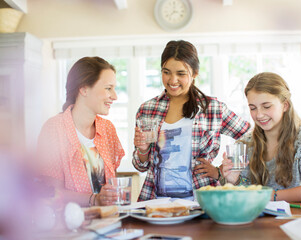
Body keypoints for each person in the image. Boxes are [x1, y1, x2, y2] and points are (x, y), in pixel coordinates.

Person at [132, 40, 250, 201]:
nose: (172, 80)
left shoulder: (213, 109)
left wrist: (221, 171)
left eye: (181, 74)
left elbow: (251, 138)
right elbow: (140, 165)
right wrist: (143, 149)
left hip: (201, 202)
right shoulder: (147, 109)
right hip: (155, 202)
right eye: (166, 72)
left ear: (194, 74)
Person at [221, 72, 301, 202]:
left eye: (266, 106)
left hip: (294, 219)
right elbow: (244, 195)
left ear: (285, 105)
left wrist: (269, 195)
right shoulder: (244, 143)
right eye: (253, 108)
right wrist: (234, 180)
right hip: (258, 220)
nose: (259, 115)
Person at [37, 56, 125, 207]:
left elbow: (109, 186)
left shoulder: (107, 128)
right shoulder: (54, 129)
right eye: (108, 88)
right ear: (84, 89)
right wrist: (94, 199)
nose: (115, 96)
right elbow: (52, 192)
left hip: (107, 220)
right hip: (70, 225)